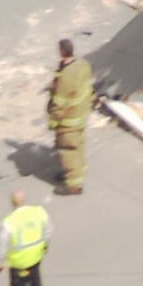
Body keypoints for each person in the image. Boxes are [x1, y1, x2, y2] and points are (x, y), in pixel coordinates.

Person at [47, 38, 94, 196]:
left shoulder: (66, 76)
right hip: (81, 115)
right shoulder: (83, 65)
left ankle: (74, 185)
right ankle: (77, 172)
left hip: (68, 121)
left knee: (68, 151)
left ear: (61, 52)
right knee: (78, 145)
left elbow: (59, 104)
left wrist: (54, 122)